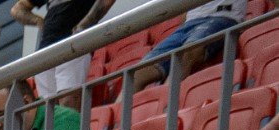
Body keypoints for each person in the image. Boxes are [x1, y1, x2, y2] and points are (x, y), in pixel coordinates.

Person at [78, 0, 246, 90]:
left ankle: (165, 110)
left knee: (184, 54)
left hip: (223, 16)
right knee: (136, 74)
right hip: (191, 23)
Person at [11, 0, 101, 99]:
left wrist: (84, 24)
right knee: (51, 109)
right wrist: (38, 21)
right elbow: (17, 10)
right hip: (45, 51)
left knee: (68, 102)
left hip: (73, 45)